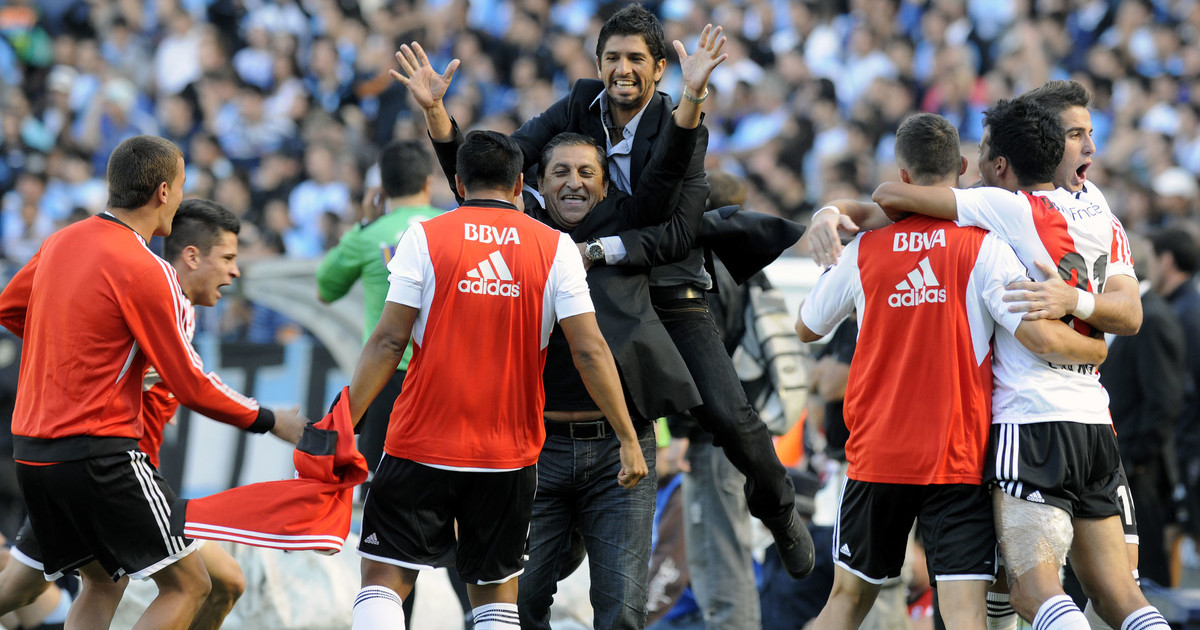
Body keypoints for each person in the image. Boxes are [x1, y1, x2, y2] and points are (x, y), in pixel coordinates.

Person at [392, 23, 722, 628]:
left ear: (607, 185)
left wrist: (693, 97)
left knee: (621, 612)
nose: (574, 181)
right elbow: (476, 186)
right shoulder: (533, 239)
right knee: (518, 607)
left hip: (620, 449)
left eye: (587, 173)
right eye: (560, 172)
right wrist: (437, 114)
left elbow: (672, 169)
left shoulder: (629, 228)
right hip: (534, 448)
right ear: (533, 189)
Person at [507, 2, 814, 579]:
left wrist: (599, 248)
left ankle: (778, 507)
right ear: (598, 63)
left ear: (659, 68)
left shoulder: (684, 124)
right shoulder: (578, 103)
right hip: (594, 284)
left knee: (731, 417)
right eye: (612, 57)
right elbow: (504, 163)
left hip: (668, 284)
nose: (622, 69)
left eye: (635, 59)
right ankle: (560, 534)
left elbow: (673, 233)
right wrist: (441, 122)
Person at [859, 99, 1168, 630]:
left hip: (1031, 424)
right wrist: (1084, 316)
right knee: (1120, 596)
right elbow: (1128, 315)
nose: (974, 164)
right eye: (1078, 134)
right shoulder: (1100, 211)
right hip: (1094, 422)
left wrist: (831, 211)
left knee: (1029, 592)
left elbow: (891, 196)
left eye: (983, 153)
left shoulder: (1003, 207)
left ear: (1001, 165)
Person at [795, 112, 1108, 630]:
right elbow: (1038, 336)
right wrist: (1096, 348)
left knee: (846, 602)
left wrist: (836, 249)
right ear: (962, 167)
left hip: (878, 454)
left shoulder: (865, 250)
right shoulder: (984, 245)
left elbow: (807, 327)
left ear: (903, 175)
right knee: (965, 614)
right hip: (957, 456)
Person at [345, 129, 648, 630]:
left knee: (384, 579)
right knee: (495, 600)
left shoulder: (424, 236)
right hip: (508, 453)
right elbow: (590, 350)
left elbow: (388, 343)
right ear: (520, 185)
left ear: (460, 185)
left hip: (421, 441)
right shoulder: (556, 248)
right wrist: (627, 438)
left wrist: (344, 421)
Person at [0, 136, 306, 630]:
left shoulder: (62, 240)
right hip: (99, 455)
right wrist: (270, 420)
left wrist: (79, 352)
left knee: (100, 583)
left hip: (35, 452)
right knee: (193, 586)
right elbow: (190, 383)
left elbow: (12, 309)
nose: (181, 197)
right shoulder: (147, 270)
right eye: (182, 185)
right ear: (164, 192)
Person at [316, 140, 441, 476]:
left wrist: (363, 224)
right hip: (444, 376)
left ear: (382, 188)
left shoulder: (368, 235)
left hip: (386, 377)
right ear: (428, 183)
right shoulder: (451, 226)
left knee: (380, 482)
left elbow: (325, 289)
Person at [1100, 234, 1185, 587]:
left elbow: (1164, 401)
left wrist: (1133, 459)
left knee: (1143, 578)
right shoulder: (1142, 312)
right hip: (1127, 468)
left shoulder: (1152, 317)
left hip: (1142, 474)